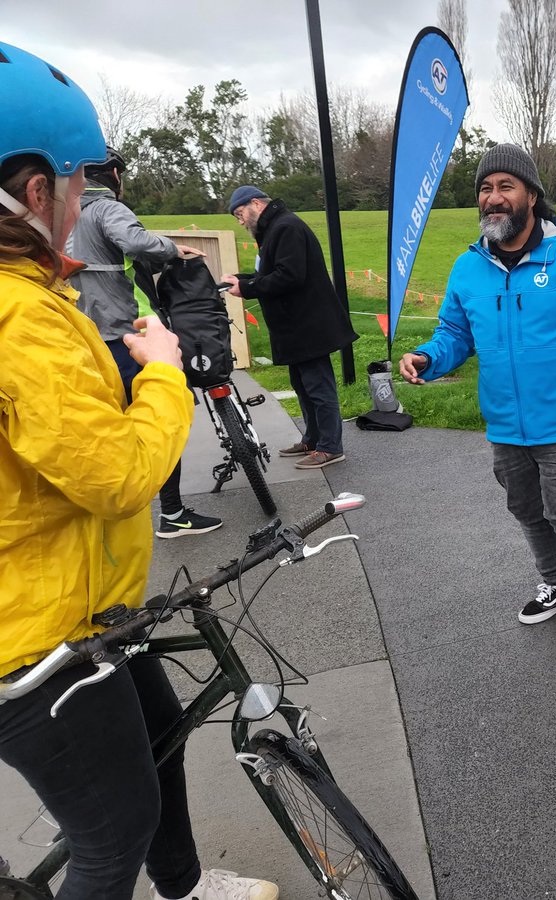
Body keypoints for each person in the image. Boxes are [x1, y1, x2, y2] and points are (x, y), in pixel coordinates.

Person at [0, 41, 277, 900]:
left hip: (83, 606)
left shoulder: (33, 292)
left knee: (160, 736)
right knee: (111, 835)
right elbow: (119, 474)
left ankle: (184, 886)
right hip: (36, 635)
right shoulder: (18, 315)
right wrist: (162, 369)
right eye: (81, 180)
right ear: (36, 191)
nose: (86, 197)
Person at [398, 144, 556, 647]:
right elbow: (454, 333)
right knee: (526, 509)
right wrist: (428, 357)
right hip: (504, 423)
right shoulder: (467, 267)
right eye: (485, 188)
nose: (494, 197)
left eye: (506, 186)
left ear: (531, 195)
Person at [67, 144, 222, 538]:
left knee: (105, 426)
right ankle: (172, 514)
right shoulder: (105, 207)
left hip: (82, 335)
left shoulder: (65, 216)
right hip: (123, 333)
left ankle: (105, 520)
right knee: (161, 414)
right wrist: (171, 248)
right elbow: (134, 242)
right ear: (114, 174)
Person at [222, 186, 357, 469]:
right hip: (295, 328)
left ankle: (330, 447)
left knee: (318, 387)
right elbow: (268, 274)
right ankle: (313, 439)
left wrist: (247, 288)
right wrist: (240, 280)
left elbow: (290, 276)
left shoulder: (286, 227)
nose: (240, 221)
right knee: (303, 386)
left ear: (256, 203)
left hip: (308, 325)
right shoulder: (274, 229)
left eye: (240, 214)